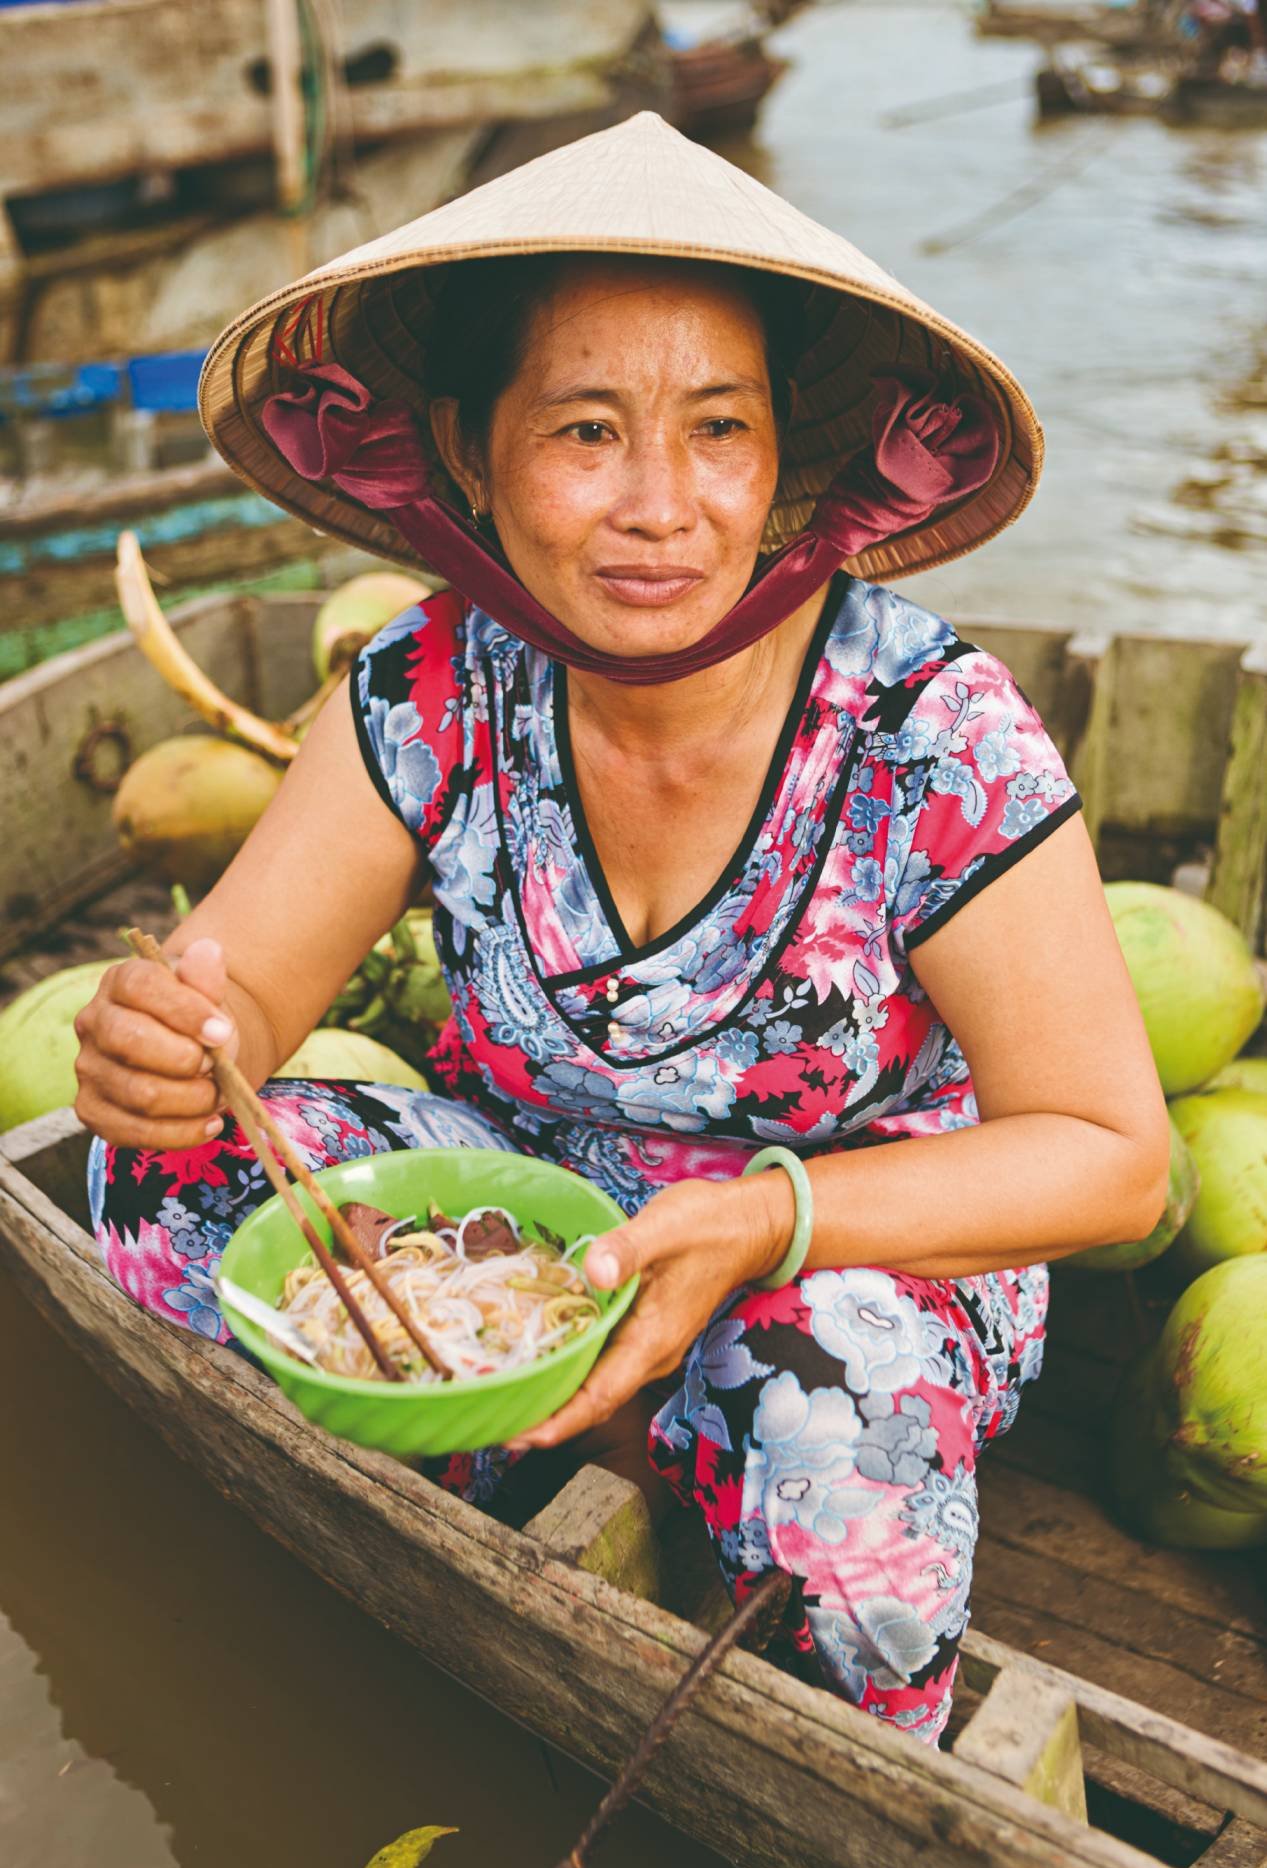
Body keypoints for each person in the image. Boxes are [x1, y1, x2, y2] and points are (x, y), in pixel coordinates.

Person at [74, 114, 1169, 1745]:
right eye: (588, 429)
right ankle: (588, 1435)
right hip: (544, 1233)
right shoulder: (428, 687)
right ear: (468, 447)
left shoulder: (933, 736)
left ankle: (668, 1492)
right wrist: (166, 1054)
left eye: (717, 429)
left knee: (835, 1503)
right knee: (161, 1186)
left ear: (783, 457)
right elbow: (239, 1009)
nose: (662, 505)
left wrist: (754, 1227)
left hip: (852, 1250)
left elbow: (1111, 1154)